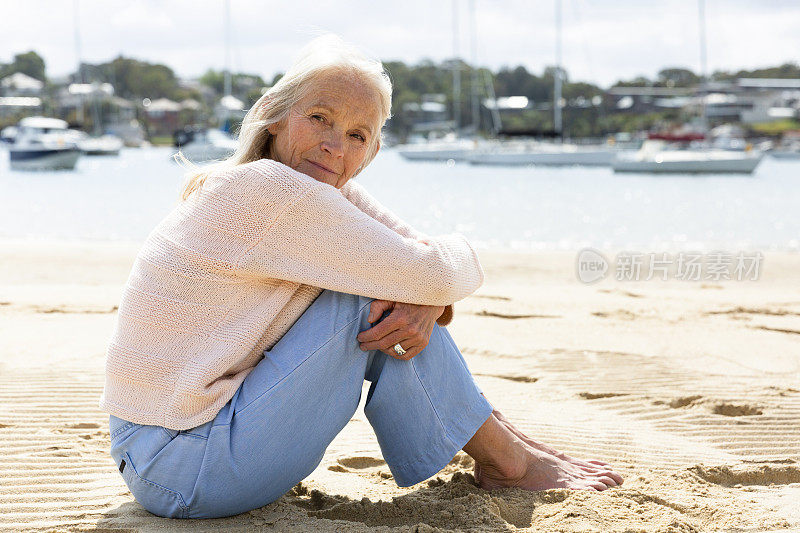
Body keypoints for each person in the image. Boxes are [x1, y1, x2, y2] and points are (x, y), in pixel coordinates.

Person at [100, 35, 623, 520]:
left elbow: (420, 265)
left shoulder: (323, 192)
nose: (335, 145)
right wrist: (423, 292)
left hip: (182, 452)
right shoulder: (264, 191)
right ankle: (509, 460)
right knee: (364, 300)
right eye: (320, 118)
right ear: (274, 117)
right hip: (181, 462)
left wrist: (423, 294)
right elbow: (433, 271)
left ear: (371, 154)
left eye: (356, 134)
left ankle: (508, 448)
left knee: (379, 288)